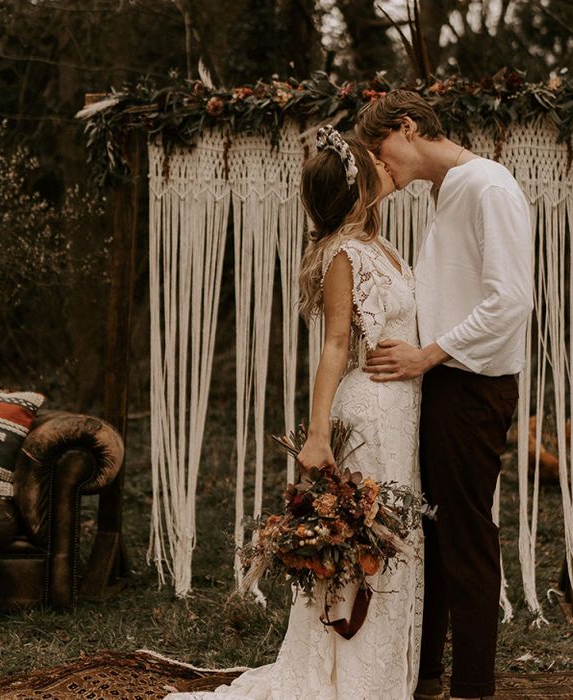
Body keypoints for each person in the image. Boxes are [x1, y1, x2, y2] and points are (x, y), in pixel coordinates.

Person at [167, 126, 423, 699]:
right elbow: (335, 345)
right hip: (372, 412)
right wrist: (317, 435)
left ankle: (384, 678)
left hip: (403, 410)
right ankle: (346, 682)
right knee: (367, 547)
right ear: (358, 187)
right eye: (372, 161)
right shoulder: (343, 255)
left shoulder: (382, 246)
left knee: (394, 545)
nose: (385, 164)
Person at [356, 90, 533, 700]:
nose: (381, 167)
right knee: (429, 531)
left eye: (381, 151)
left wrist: (429, 353)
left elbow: (510, 300)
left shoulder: (488, 186)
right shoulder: (446, 191)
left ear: (407, 127)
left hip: (473, 387)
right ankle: (425, 678)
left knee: (465, 534)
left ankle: (475, 687)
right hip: (442, 384)